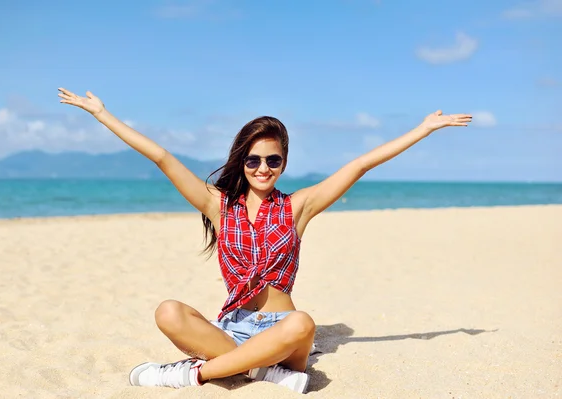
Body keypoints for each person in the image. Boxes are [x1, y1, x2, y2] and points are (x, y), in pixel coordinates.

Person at [58, 87, 472, 393]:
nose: (262, 167)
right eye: (253, 159)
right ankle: (259, 370)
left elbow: (361, 164)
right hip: (233, 328)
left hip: (281, 333)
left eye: (273, 160)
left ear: (284, 162)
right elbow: (162, 157)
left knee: (303, 323)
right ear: (242, 160)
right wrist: (101, 114)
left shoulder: (298, 207)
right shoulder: (218, 206)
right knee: (168, 311)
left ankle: (194, 374)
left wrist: (423, 129)